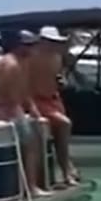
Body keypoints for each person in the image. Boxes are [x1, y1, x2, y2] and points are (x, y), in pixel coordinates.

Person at [0, 30, 45, 195]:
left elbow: (22, 92)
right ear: (20, 46)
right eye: (30, 45)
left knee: (28, 143)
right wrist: (23, 116)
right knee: (30, 145)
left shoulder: (9, 61)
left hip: (1, 107)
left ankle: (27, 185)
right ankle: (31, 187)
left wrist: (33, 109)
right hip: (7, 109)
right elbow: (13, 97)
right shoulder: (12, 65)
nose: (33, 49)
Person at [29, 26, 78, 185]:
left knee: (61, 135)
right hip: (37, 100)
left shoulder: (57, 56)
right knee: (64, 124)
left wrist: (61, 80)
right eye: (50, 41)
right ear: (42, 41)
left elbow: (58, 76)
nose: (53, 44)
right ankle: (66, 171)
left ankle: (66, 168)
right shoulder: (32, 57)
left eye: (55, 42)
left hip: (54, 99)